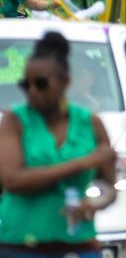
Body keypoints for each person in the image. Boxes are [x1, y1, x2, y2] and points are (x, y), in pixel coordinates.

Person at [0, 32, 118, 254]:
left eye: (41, 84)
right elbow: (12, 180)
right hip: (17, 246)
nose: (33, 91)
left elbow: (108, 187)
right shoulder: (14, 121)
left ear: (65, 82)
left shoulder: (90, 123)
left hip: (77, 246)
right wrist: (82, 163)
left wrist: (92, 204)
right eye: (26, 84)